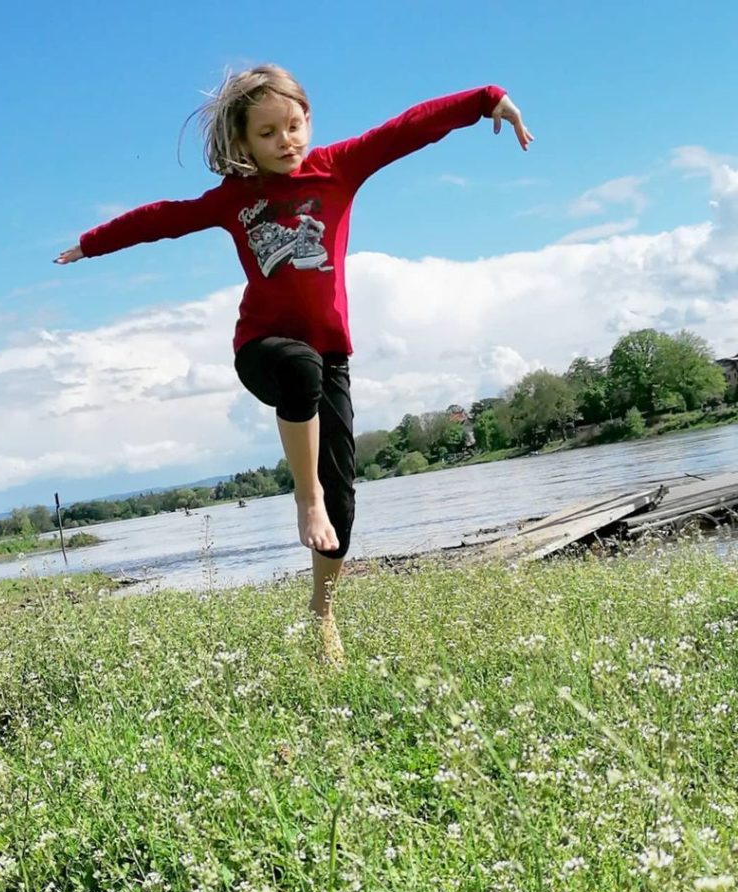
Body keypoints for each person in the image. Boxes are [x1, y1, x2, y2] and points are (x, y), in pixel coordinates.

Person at [55, 65, 532, 663]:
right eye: (268, 133)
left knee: (344, 504)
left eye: (294, 125)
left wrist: (488, 100)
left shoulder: (339, 167)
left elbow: (406, 129)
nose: (286, 141)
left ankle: (322, 611)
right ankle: (305, 500)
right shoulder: (237, 199)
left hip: (330, 357)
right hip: (262, 351)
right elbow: (164, 219)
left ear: (309, 120)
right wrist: (93, 242)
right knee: (300, 378)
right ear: (243, 143)